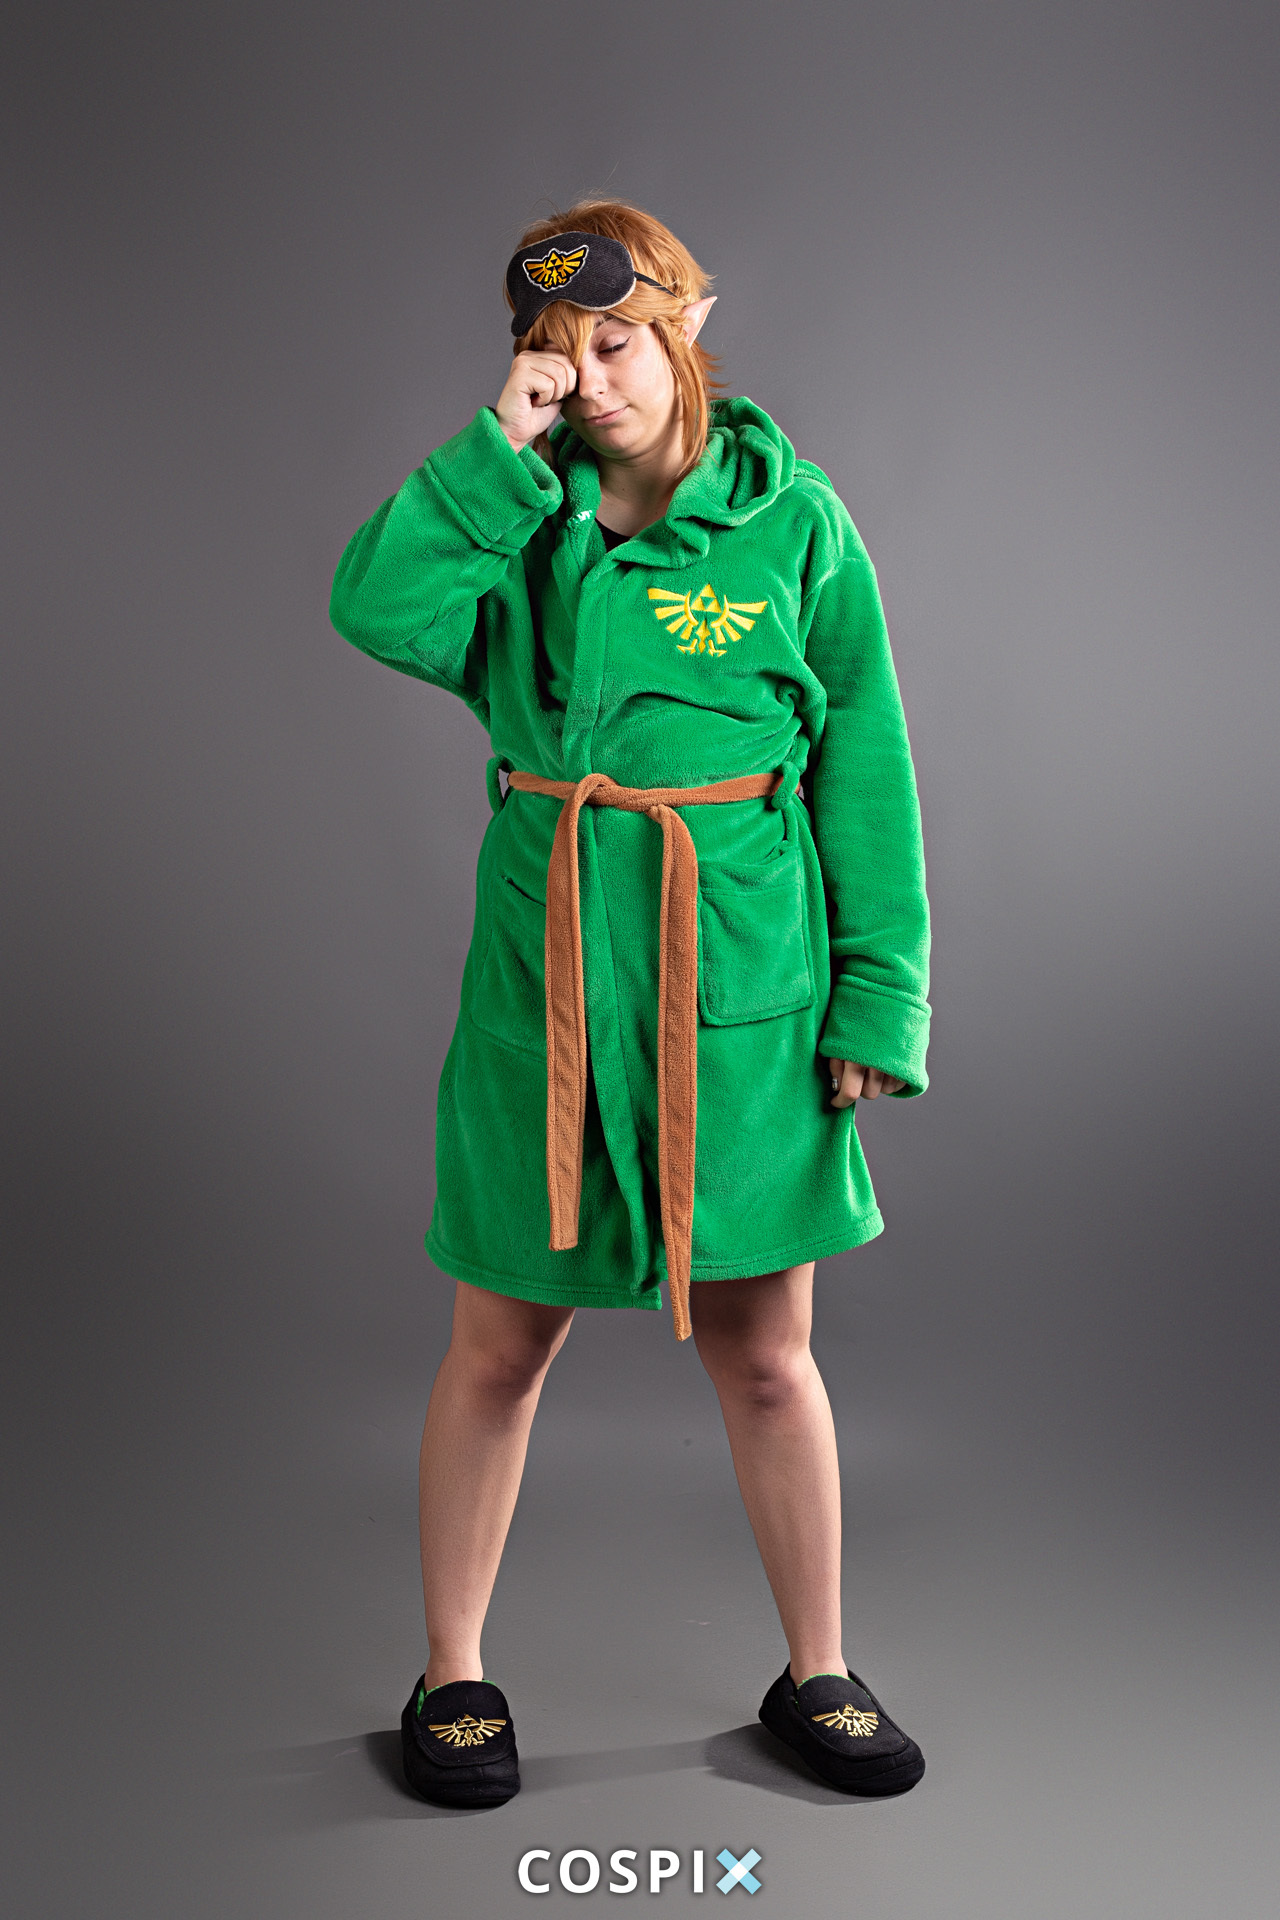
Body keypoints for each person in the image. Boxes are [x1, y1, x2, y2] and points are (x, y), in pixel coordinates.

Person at [329, 200, 932, 1807]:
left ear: (686, 325)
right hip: (548, 986)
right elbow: (372, 607)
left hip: (736, 989)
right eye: (550, 353)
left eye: (614, 342)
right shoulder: (518, 521)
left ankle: (819, 1668)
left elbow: (865, 764)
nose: (586, 380)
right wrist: (495, 448)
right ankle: (453, 1669)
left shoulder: (792, 519)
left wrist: (877, 1001)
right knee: (497, 1348)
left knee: (769, 1354)